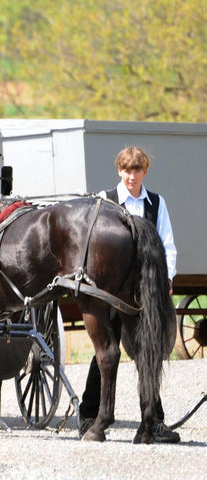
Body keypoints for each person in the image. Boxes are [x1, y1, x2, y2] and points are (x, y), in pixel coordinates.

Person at [78, 146, 180, 443]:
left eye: (136, 170)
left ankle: (152, 420)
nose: (131, 175)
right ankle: (88, 415)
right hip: (111, 290)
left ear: (144, 171)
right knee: (105, 351)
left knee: (146, 352)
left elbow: (167, 245)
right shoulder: (104, 201)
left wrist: (167, 278)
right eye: (126, 169)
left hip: (142, 290)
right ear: (119, 170)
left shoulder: (157, 204)